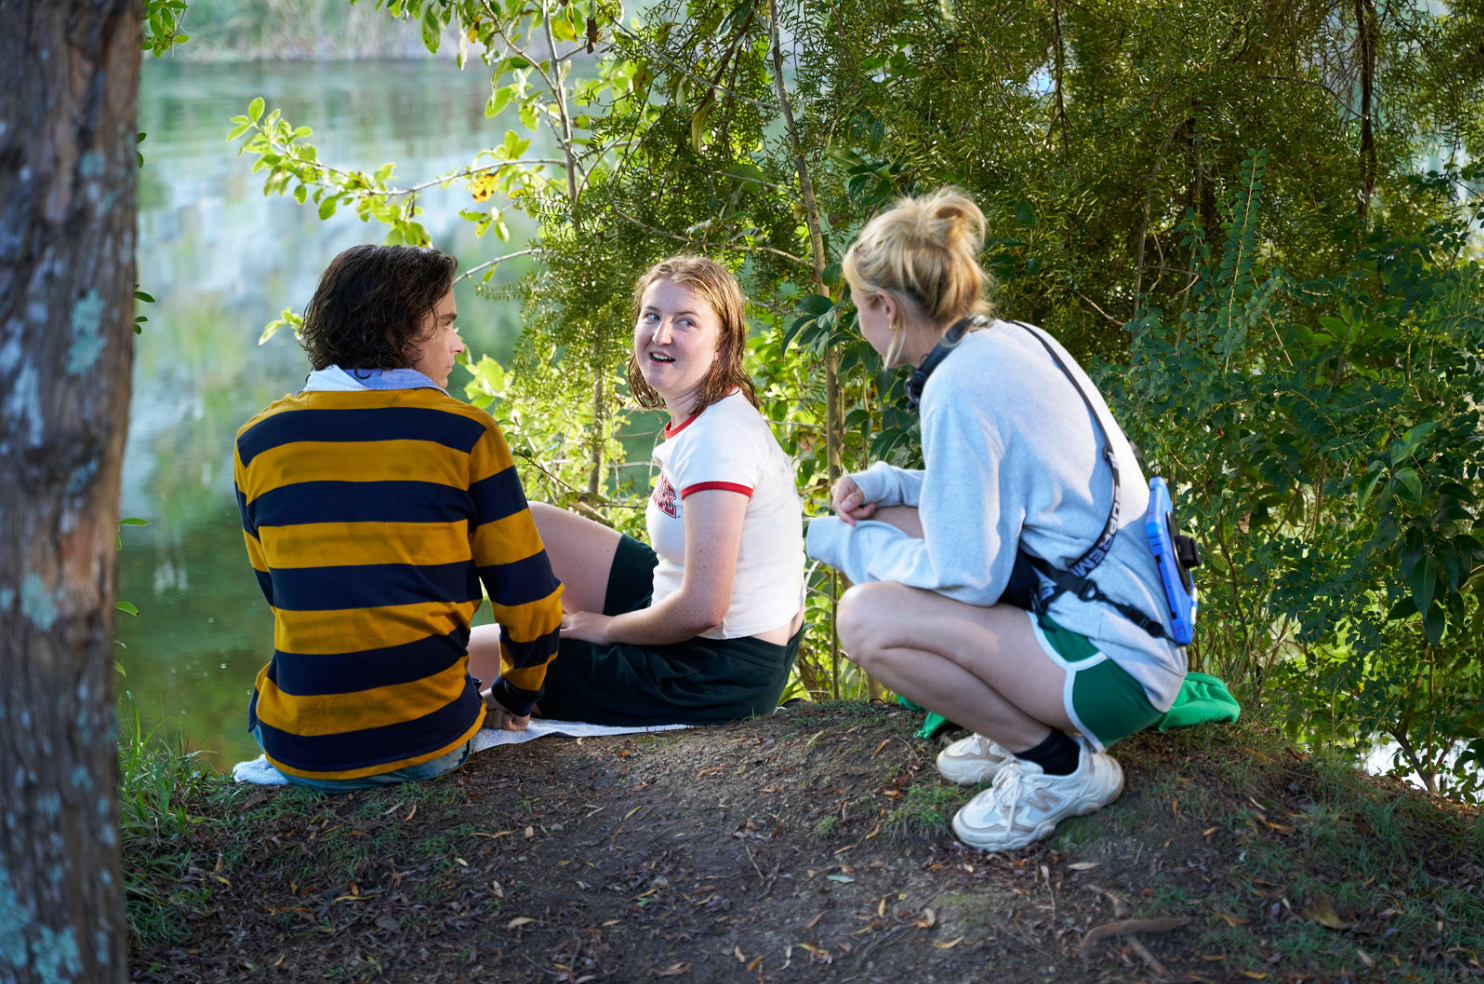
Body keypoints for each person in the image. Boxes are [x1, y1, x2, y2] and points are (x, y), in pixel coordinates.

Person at [806, 189, 1187, 851]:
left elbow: (968, 579)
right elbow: (994, 494)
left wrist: (845, 545)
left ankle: (1056, 767)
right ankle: (1016, 715)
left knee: (865, 619)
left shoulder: (957, 387)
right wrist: (889, 486)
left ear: (886, 309)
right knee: (897, 516)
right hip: (1131, 630)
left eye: (858, 305)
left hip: (1112, 670)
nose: (859, 322)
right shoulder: (1009, 341)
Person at [233, 244, 564, 792]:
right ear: (396, 334)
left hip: (302, 752)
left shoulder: (258, 442)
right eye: (447, 325)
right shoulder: (466, 435)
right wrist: (516, 695)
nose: (459, 344)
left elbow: (283, 592)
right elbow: (529, 601)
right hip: (428, 743)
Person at [468, 256, 805, 724]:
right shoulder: (707, 415)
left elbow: (706, 607)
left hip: (713, 669)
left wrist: (606, 630)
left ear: (722, 344)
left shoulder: (718, 440)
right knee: (526, 522)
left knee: (473, 656)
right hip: (685, 616)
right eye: (652, 316)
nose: (661, 335)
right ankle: (530, 635)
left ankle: (522, 658)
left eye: (685, 322)